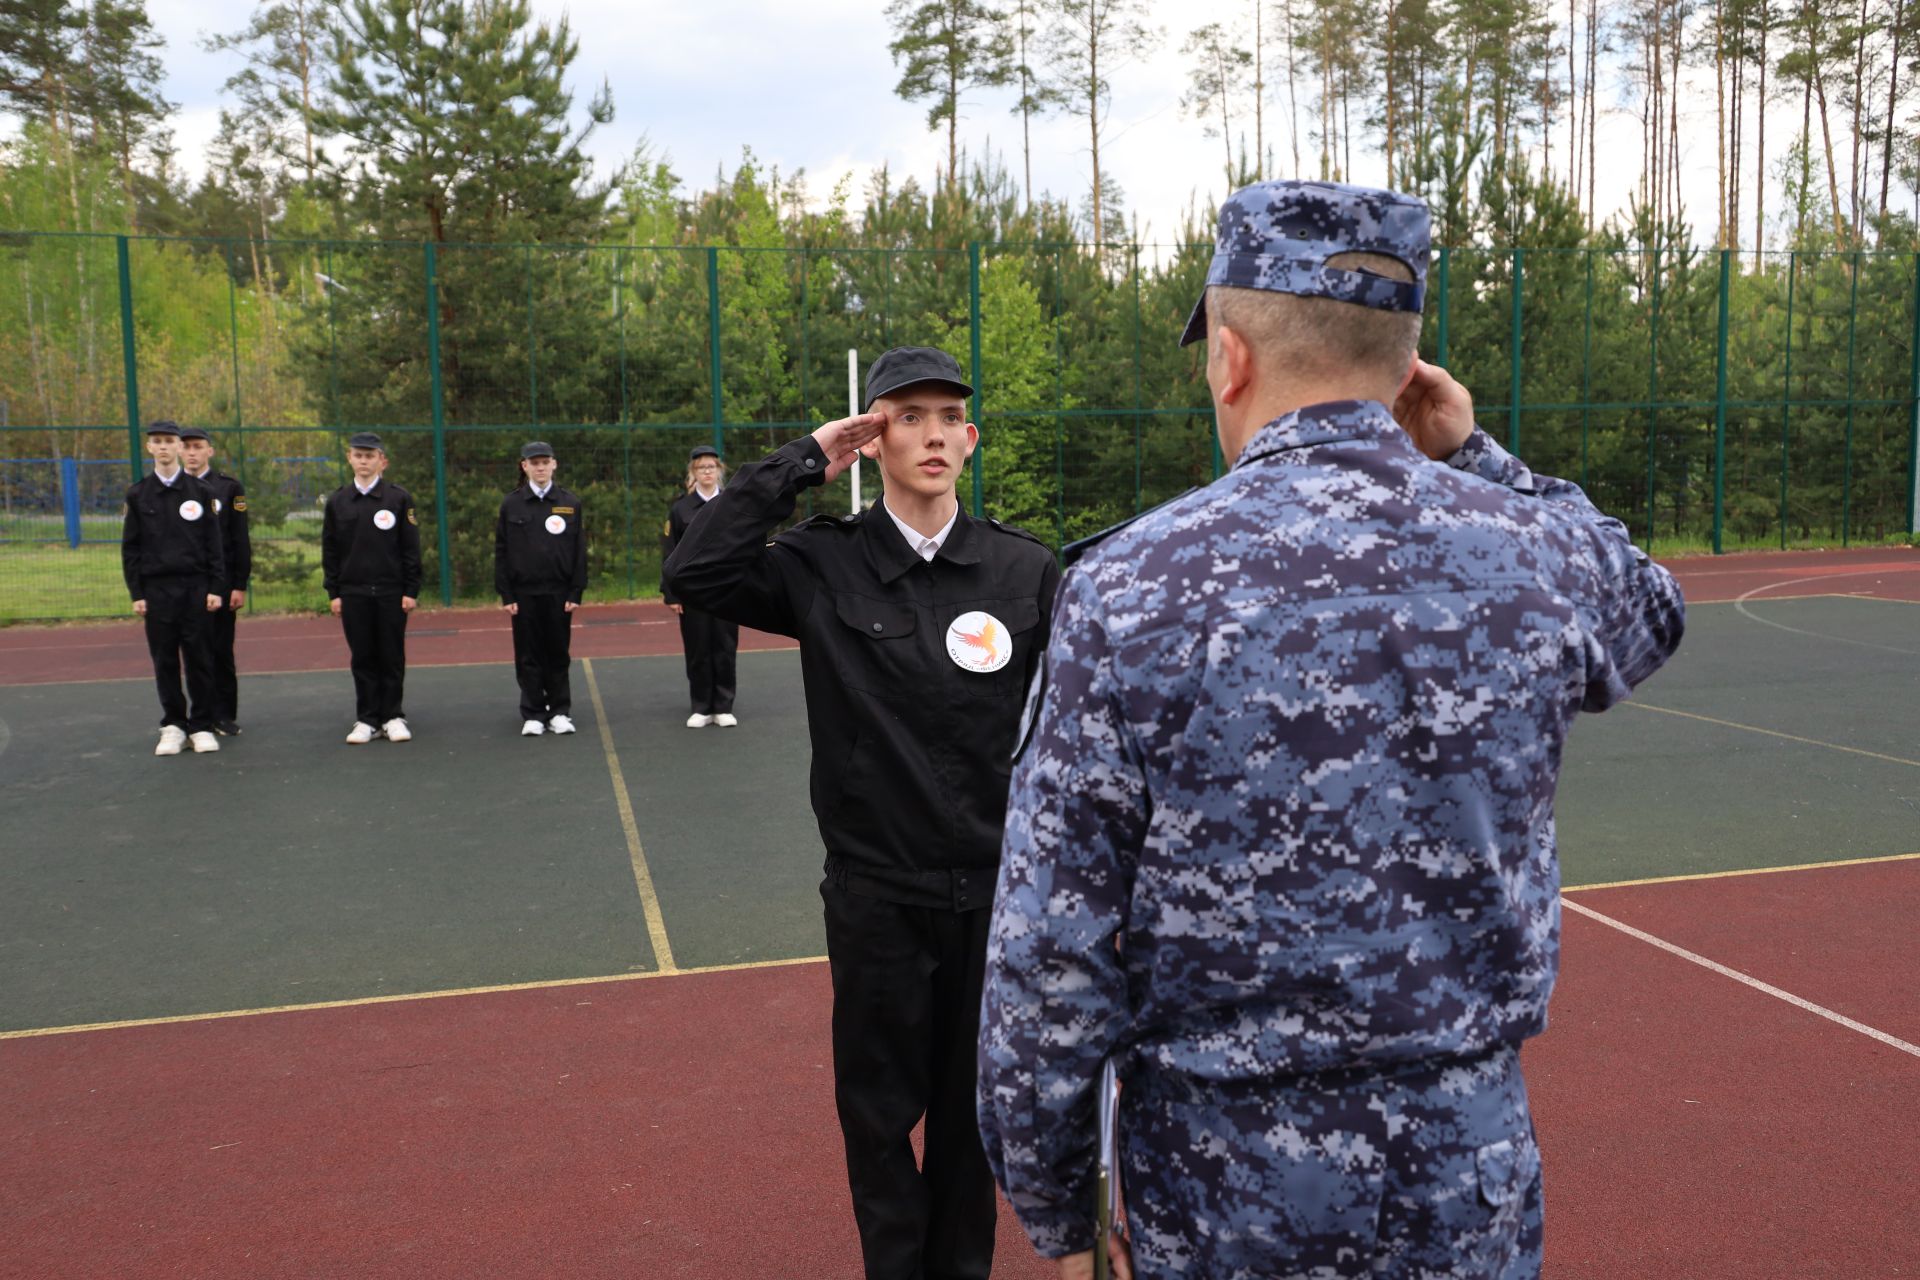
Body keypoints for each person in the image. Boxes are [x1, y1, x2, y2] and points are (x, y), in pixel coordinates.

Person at [977, 180, 1688, 1280]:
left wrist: (1059, 1209)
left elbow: (1050, 948)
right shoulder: (1532, 555)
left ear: (1229, 357)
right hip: (1466, 1167)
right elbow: (1649, 608)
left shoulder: (1129, 588)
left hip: (1225, 1184)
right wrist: (1474, 454)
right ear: (1411, 368)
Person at [665, 346, 1061, 1280]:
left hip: (991, 898)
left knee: (972, 1121)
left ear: (970, 437)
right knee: (878, 1119)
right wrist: (803, 460)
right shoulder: (820, 564)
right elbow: (695, 573)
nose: (930, 434)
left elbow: (1061, 734)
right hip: (877, 895)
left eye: (945, 417)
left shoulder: (1023, 568)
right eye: (906, 416)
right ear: (875, 436)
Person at [122, 420, 226, 757]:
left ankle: (201, 725)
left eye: (170, 441)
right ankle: (173, 725)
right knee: (164, 660)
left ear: (180, 448)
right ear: (149, 448)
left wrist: (215, 587)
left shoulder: (202, 493)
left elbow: (215, 546)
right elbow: (131, 548)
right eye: (157, 441)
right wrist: (137, 593)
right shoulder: (138, 495)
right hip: (157, 591)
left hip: (195, 589)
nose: (164, 447)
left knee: (199, 659)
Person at [321, 431, 421, 744]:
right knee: (362, 656)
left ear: (382, 461)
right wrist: (334, 592)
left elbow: (410, 548)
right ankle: (366, 719)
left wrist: (410, 589)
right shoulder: (338, 501)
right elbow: (331, 550)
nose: (364, 461)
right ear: (349, 458)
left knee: (391, 655)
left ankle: (392, 716)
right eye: (358, 455)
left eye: (370, 456)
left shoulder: (398, 499)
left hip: (391, 591)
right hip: (353, 593)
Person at [494, 440, 588, 737]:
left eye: (545, 462)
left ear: (554, 464)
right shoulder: (512, 504)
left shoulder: (570, 503)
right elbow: (502, 551)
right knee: (528, 654)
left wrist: (576, 591)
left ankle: (560, 711)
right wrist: (506, 593)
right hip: (524, 594)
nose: (540, 467)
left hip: (559, 593)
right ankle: (533, 712)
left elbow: (579, 552)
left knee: (558, 653)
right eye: (534, 463)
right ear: (524, 466)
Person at [178, 425, 252, 736]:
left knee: (221, 651)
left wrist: (238, 584)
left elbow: (239, 540)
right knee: (192, 653)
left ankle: (223, 715)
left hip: (220, 585)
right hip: (183, 585)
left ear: (210, 451)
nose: (192, 453)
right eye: (188, 447)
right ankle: (198, 717)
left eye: (198, 447)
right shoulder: (171, 488)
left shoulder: (228, 488)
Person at [660, 444, 739, 727]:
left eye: (711, 467)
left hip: (726, 590)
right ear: (693, 472)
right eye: (701, 467)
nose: (707, 472)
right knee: (698, 649)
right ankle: (701, 706)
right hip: (693, 593)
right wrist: (671, 593)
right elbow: (670, 552)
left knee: (724, 647)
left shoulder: (731, 504)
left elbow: (742, 545)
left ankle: (723, 705)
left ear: (719, 471)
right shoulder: (681, 509)